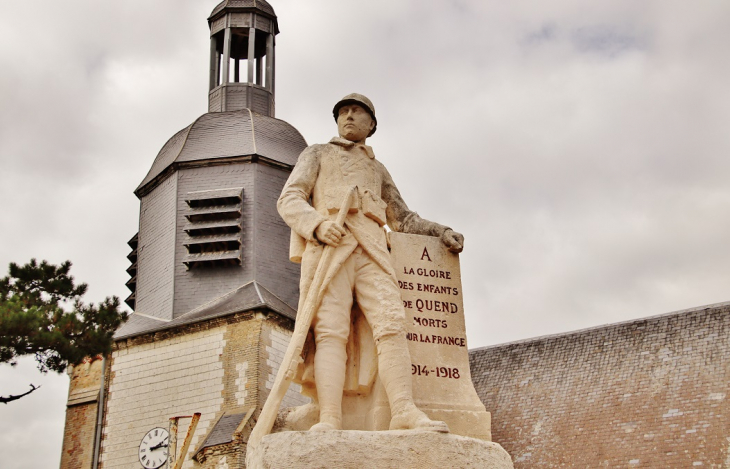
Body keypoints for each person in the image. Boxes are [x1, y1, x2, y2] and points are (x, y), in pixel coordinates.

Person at [277, 93, 464, 432]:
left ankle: (404, 412)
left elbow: (403, 218)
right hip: (331, 246)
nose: (348, 117)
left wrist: (441, 231)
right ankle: (330, 417)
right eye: (343, 112)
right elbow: (289, 198)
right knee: (330, 332)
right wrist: (317, 225)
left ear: (371, 125)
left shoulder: (377, 169)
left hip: (373, 249)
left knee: (392, 325)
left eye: (356, 112)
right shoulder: (317, 153)